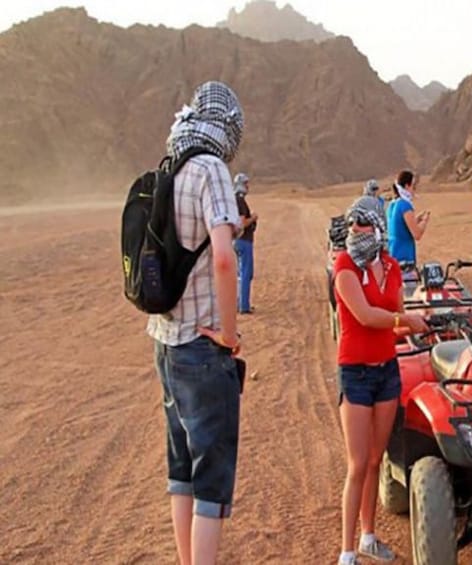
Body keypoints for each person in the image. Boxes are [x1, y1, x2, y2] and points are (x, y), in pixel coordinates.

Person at [148, 80, 245, 565]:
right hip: (203, 348)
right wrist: (229, 335)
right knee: (211, 479)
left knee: (181, 468)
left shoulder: (173, 164)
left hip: (166, 342)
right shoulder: (211, 169)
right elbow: (225, 259)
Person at [333, 196, 429, 565]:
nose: (357, 233)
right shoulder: (344, 266)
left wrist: (416, 328)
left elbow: (398, 313)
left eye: (364, 226)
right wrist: (404, 323)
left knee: (376, 459)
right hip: (355, 372)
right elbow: (366, 315)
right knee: (357, 463)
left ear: (377, 229)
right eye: (353, 226)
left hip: (387, 370)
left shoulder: (390, 266)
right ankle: (347, 551)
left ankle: (369, 536)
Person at [385, 170, 430, 266]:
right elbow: (417, 234)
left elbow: (401, 225)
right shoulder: (405, 205)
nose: (414, 189)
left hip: (393, 252)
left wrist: (417, 219)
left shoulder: (393, 204)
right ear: (407, 186)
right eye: (413, 186)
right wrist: (425, 221)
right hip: (404, 256)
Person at [233, 172, 258, 314]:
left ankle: (239, 303)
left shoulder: (234, 200)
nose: (248, 186)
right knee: (246, 274)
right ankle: (244, 306)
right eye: (246, 183)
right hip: (243, 241)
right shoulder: (240, 201)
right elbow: (242, 223)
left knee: (240, 274)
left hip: (236, 241)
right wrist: (253, 218)